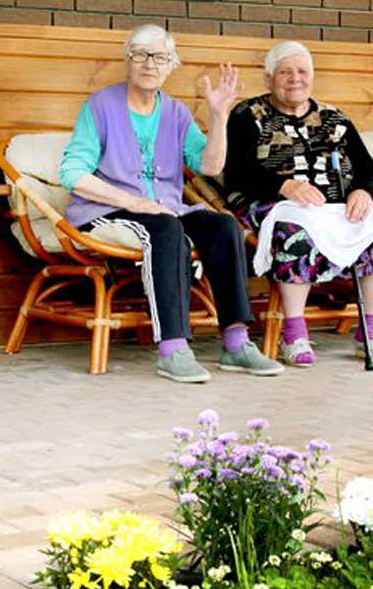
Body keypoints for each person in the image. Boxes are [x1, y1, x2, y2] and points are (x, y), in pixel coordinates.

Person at [59, 24, 280, 383]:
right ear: (127, 60)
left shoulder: (176, 113)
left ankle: (236, 343)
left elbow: (210, 166)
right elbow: (72, 173)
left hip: (166, 209)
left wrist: (219, 116)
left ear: (171, 65)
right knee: (166, 228)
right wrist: (132, 201)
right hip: (107, 210)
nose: (150, 64)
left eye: (160, 57)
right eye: (140, 55)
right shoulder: (99, 106)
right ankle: (173, 349)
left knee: (223, 225)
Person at [223, 40, 373, 366]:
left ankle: (370, 332)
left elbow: (370, 173)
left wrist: (363, 192)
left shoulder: (335, 118)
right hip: (271, 203)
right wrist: (284, 185)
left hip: (334, 208)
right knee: (295, 232)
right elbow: (237, 171)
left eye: (302, 71)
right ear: (268, 79)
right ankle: (294, 335)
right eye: (285, 72)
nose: (295, 78)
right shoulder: (247, 115)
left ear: (312, 76)